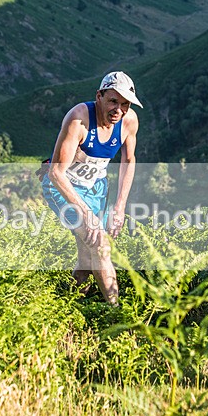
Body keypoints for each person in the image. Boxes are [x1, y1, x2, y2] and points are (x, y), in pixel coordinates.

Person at [40, 71, 141, 305]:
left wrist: (120, 206)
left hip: (96, 187)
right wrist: (87, 214)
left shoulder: (129, 121)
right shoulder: (79, 118)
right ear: (99, 96)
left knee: (87, 258)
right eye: (113, 101)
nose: (119, 110)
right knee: (100, 244)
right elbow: (56, 173)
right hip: (63, 186)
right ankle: (118, 313)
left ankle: (69, 308)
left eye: (125, 104)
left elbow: (128, 160)